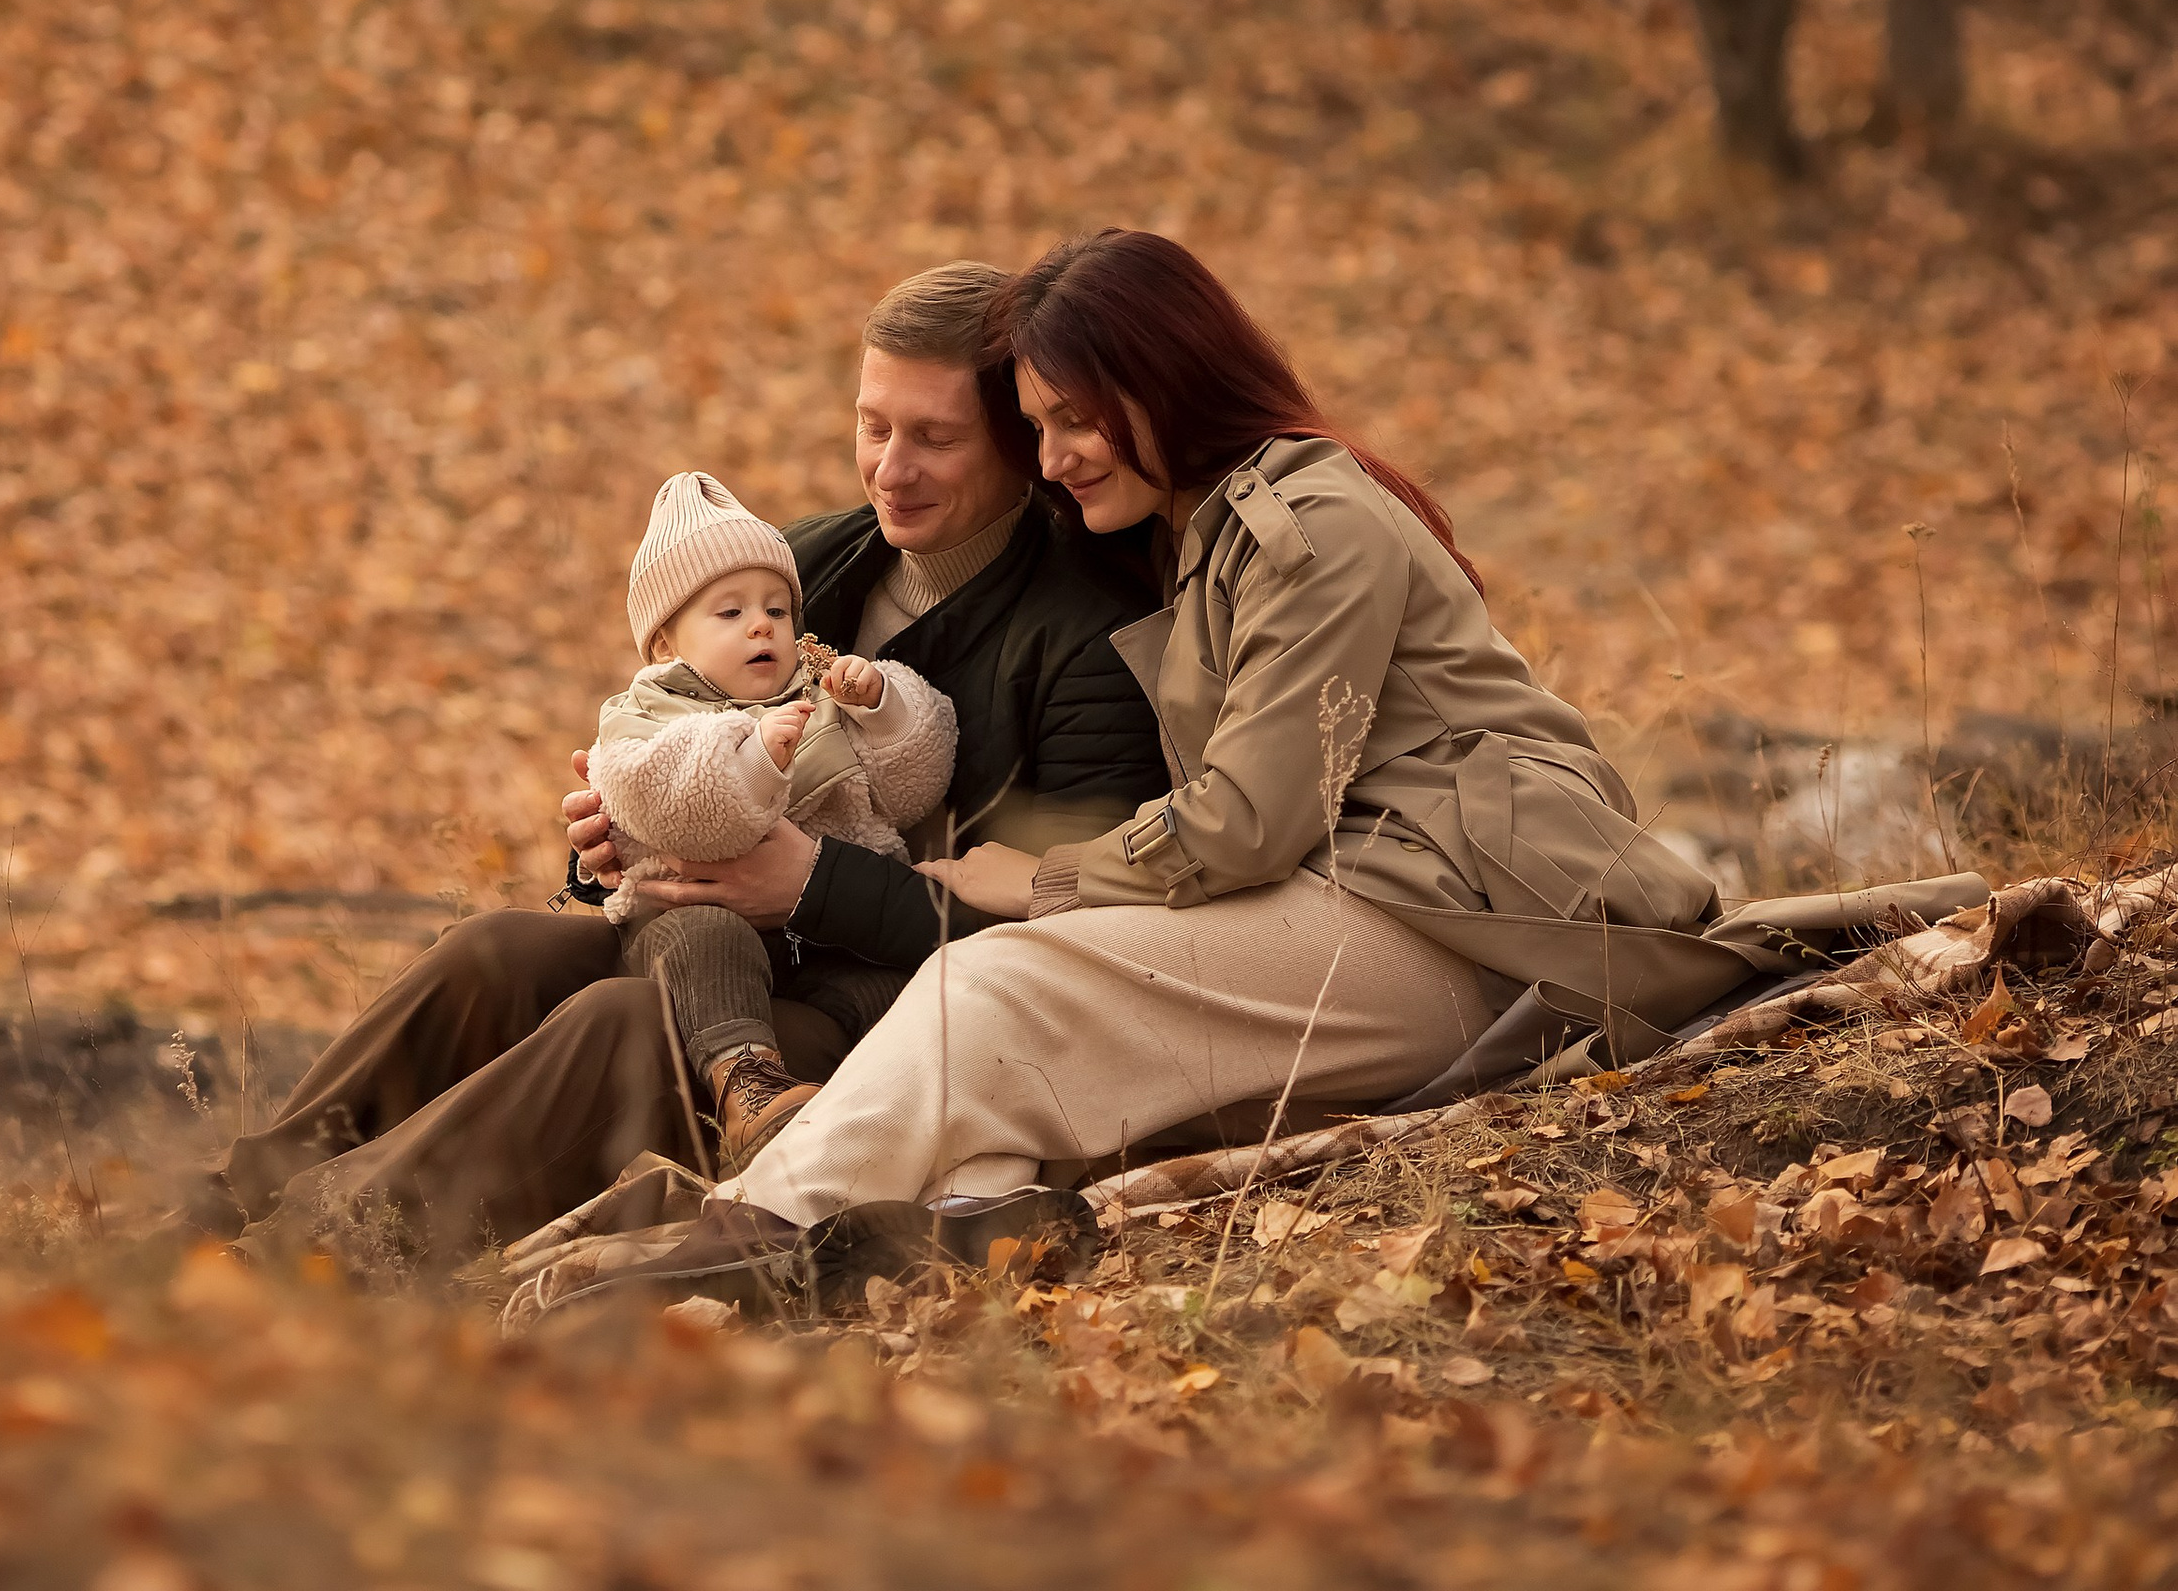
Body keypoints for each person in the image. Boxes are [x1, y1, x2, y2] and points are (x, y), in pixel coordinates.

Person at [534, 230, 1737, 1289]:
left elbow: (1249, 822)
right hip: (1358, 900)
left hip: (1452, 921)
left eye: (1074, 420)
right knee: (1029, 1072)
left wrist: (1038, 881)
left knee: (996, 983)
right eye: (1039, 426)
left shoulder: (1311, 525)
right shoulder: (1198, 532)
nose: (1053, 457)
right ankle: (919, 1236)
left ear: (1166, 383)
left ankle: (733, 1243)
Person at [218, 258, 1168, 1257]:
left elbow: (1067, 935)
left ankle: (316, 1257)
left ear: (1019, 444)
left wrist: (811, 886)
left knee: (631, 1031)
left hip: (885, 1007)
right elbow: (671, 731)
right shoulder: (801, 567)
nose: (890, 469)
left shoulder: (1085, 642)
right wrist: (610, 847)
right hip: (712, 937)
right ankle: (217, 1205)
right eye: (872, 425)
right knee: (496, 952)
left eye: (935, 438)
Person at [590, 470, 956, 1161]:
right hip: (696, 924)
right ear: (667, 644)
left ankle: (904, 1110)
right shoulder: (643, 717)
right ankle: (747, 1084)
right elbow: (684, 809)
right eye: (728, 614)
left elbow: (910, 787)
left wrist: (881, 708)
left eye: (776, 611)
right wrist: (755, 759)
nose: (761, 625)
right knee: (706, 943)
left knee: (888, 985)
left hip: (823, 936)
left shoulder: (815, 694)